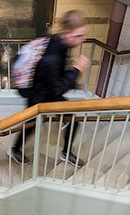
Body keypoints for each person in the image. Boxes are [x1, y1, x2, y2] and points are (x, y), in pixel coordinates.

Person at [9, 10, 90, 167]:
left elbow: (55, 79)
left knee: (72, 121)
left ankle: (66, 152)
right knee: (31, 125)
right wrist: (76, 69)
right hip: (39, 96)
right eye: (78, 35)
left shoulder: (58, 42)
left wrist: (69, 75)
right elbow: (56, 90)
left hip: (43, 90)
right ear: (66, 33)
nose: (82, 39)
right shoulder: (53, 57)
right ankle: (14, 150)